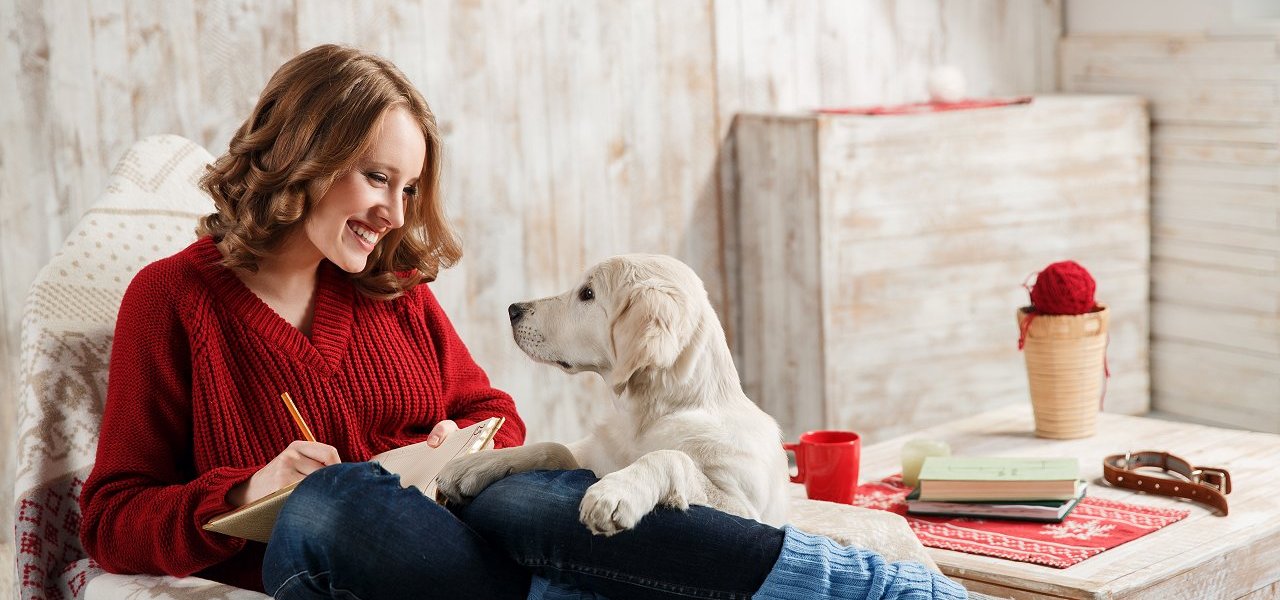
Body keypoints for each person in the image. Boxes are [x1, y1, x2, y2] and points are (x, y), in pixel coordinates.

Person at [79, 44, 965, 600]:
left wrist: (460, 443)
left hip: (467, 537)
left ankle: (856, 586)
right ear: (304, 156)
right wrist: (245, 491)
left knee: (532, 480)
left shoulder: (392, 286)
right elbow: (112, 516)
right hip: (339, 548)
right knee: (334, 502)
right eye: (377, 178)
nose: (396, 212)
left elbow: (494, 410)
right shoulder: (174, 301)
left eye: (411, 188)